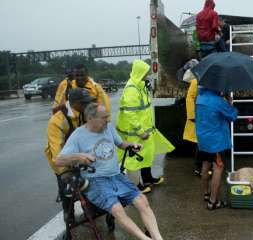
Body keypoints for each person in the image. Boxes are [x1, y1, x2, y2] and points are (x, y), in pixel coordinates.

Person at [56, 103, 163, 240]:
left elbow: (121, 144)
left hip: (116, 176)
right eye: (104, 117)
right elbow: (58, 161)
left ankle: (158, 237)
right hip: (96, 181)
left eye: (108, 117)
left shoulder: (108, 128)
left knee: (142, 201)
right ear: (90, 119)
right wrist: (79, 156)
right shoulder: (78, 135)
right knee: (117, 209)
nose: (108, 120)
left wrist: (131, 145)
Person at [116, 60, 174, 193]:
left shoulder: (140, 86)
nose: (147, 75)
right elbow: (130, 113)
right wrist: (140, 131)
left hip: (144, 131)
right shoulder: (132, 89)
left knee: (147, 155)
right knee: (134, 160)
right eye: (145, 73)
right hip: (135, 133)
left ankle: (147, 178)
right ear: (139, 73)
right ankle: (135, 186)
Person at [45, 88, 95, 222]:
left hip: (79, 156)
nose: (87, 105)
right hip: (61, 160)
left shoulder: (82, 112)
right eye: (84, 103)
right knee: (66, 190)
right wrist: (65, 172)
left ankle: (89, 212)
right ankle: (69, 217)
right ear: (73, 103)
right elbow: (57, 152)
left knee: (87, 185)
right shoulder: (57, 121)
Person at [196, 88, 237, 210]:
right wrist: (229, 100)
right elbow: (232, 116)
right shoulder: (218, 101)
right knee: (218, 168)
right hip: (215, 141)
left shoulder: (199, 98)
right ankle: (213, 202)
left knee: (205, 165)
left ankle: (206, 193)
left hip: (203, 139)